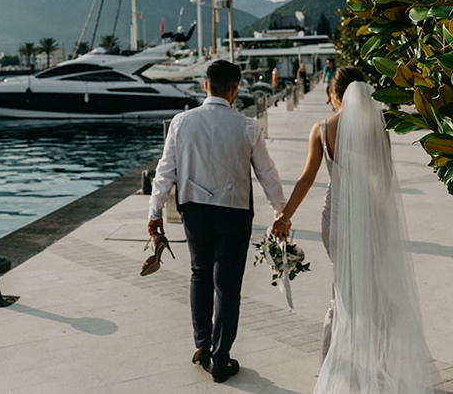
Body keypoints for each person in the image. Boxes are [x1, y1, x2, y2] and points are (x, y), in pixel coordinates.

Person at [271, 66, 433, 393]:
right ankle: (381, 365)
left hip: (336, 221)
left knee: (342, 293)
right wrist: (374, 215)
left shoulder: (322, 130)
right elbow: (385, 179)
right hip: (372, 217)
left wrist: (284, 216)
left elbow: (305, 179)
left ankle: (336, 369)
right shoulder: (376, 127)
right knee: (373, 290)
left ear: (334, 95)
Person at [146, 59, 287, 384]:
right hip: (234, 211)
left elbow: (165, 172)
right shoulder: (248, 126)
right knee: (227, 285)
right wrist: (281, 212)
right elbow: (267, 174)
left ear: (205, 85)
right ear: (235, 89)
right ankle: (221, 357)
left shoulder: (181, 123)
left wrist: (154, 213)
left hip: (194, 210)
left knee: (199, 274)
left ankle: (202, 345)